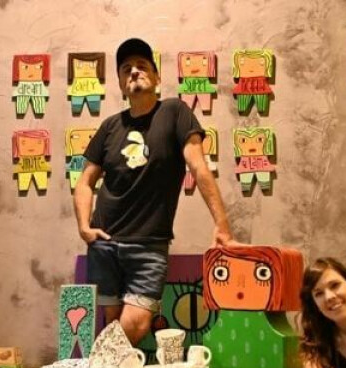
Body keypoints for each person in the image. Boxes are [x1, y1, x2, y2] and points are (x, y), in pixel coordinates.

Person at [73, 38, 235, 346]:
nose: (134, 71)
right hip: (105, 243)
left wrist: (222, 224)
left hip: (149, 246)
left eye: (142, 66)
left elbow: (198, 166)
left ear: (157, 77)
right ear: (120, 83)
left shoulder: (175, 112)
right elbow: (85, 181)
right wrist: (84, 226)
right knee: (112, 323)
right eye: (126, 69)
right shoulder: (109, 126)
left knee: (135, 324)